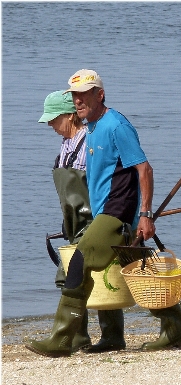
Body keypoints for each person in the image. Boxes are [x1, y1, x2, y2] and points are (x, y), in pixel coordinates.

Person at [26, 70, 181, 357]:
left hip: (118, 212)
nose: (78, 101)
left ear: (99, 94)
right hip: (106, 211)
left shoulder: (116, 126)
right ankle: (172, 330)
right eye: (74, 96)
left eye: (84, 94)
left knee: (79, 262)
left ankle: (63, 338)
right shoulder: (91, 126)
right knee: (135, 272)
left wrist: (146, 214)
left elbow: (144, 169)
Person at [38, 90, 127, 353]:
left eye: (54, 120)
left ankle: (83, 337)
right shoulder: (66, 145)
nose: (51, 126)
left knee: (81, 274)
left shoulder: (89, 140)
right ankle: (88, 337)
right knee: (89, 274)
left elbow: (101, 183)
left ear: (70, 116)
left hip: (96, 217)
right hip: (75, 220)